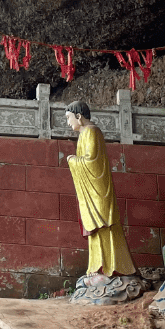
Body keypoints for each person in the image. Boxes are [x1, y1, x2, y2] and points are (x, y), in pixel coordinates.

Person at [65, 101, 137, 279]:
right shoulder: (84, 134)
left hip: (99, 191)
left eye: (68, 118)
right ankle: (98, 266)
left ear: (79, 117)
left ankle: (113, 268)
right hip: (92, 190)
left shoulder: (91, 132)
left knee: (105, 227)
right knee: (96, 231)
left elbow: (92, 162)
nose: (68, 123)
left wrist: (73, 160)